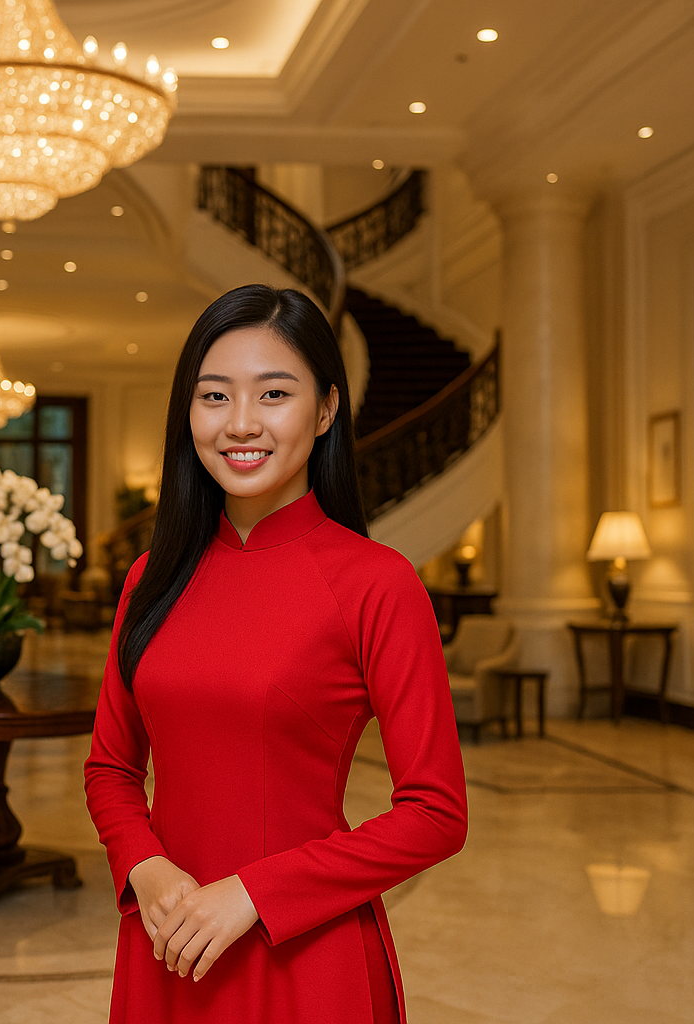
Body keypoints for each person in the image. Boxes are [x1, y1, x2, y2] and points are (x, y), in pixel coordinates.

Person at [84, 284, 468, 1023]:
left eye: (274, 394)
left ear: (325, 410)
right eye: (215, 397)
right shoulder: (151, 577)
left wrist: (254, 894)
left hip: (304, 955)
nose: (240, 424)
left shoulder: (377, 584)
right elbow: (110, 767)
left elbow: (435, 814)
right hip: (167, 940)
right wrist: (146, 866)